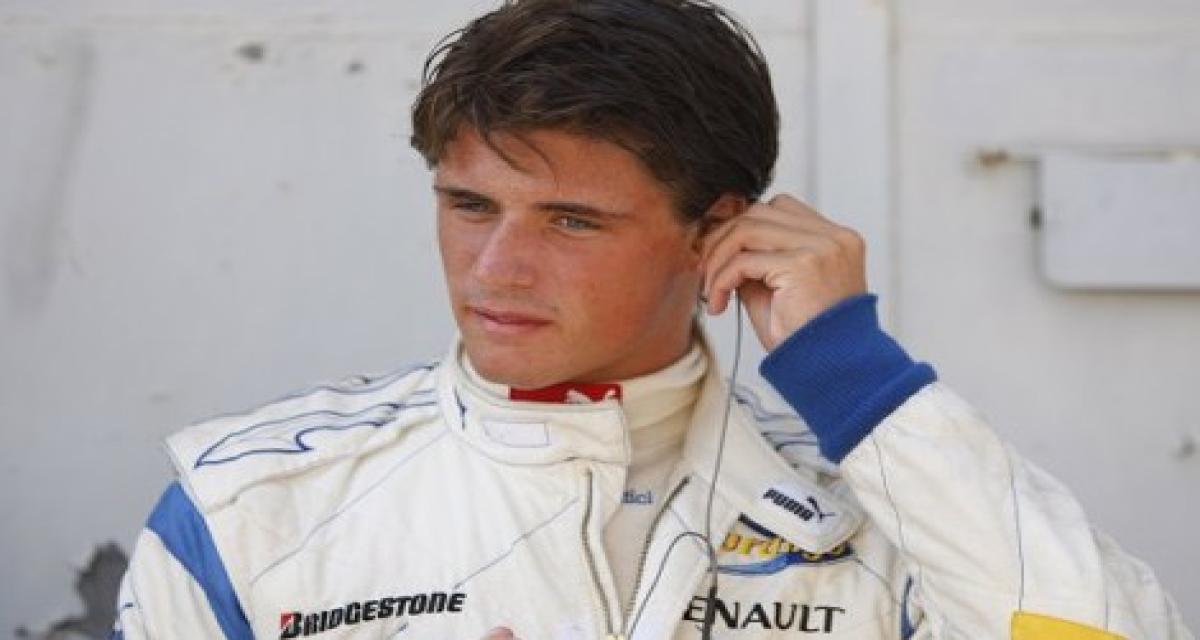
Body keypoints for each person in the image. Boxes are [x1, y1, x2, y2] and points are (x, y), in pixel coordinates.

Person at [112, 1, 1192, 638]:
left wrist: (854, 375)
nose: (496, 267)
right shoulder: (250, 509)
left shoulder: (881, 508)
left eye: (571, 220)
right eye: (470, 205)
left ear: (714, 231)